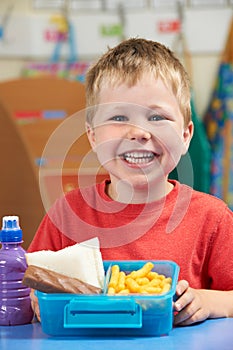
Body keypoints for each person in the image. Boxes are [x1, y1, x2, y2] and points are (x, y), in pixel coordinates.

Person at [28, 38, 233, 326]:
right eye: (119, 116)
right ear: (93, 136)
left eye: (157, 117)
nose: (138, 132)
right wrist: (35, 300)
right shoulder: (66, 214)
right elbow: (25, 291)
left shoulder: (212, 218)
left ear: (186, 136)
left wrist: (209, 302)